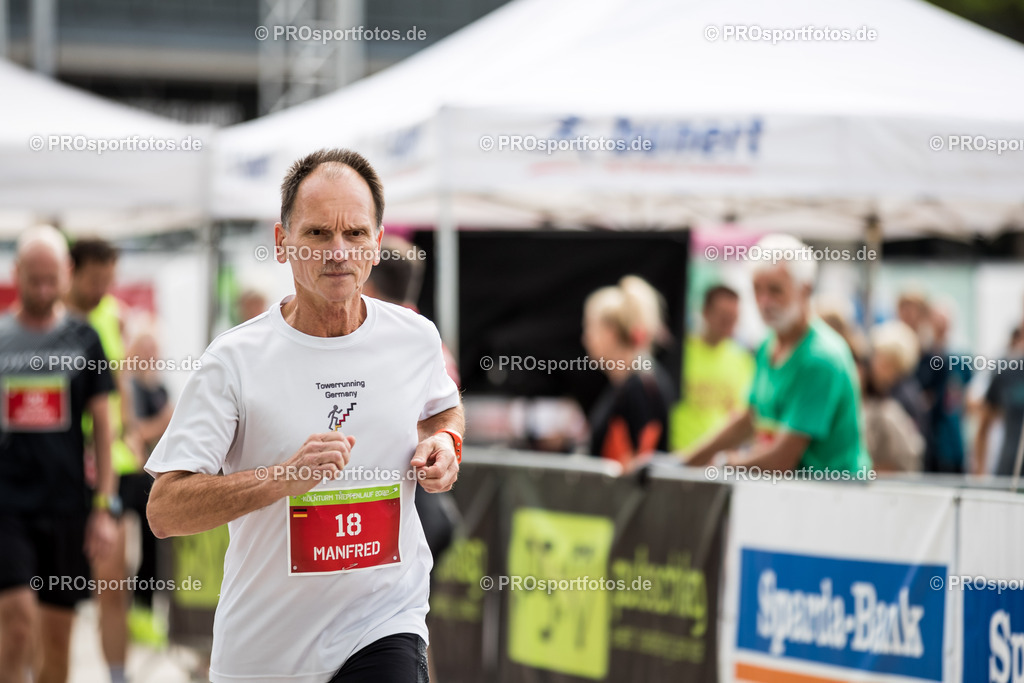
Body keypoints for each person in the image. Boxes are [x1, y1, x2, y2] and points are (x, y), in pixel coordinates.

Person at [146, 148, 464, 683]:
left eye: (356, 234)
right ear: (281, 242)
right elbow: (165, 510)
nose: (339, 251)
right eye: (318, 234)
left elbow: (442, 409)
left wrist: (446, 444)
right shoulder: (235, 360)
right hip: (266, 651)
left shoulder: (415, 339)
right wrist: (282, 478)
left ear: (377, 242)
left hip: (383, 622)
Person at [0, 225, 118, 683]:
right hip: (8, 506)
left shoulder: (84, 339)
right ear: (17, 273)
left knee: (55, 635)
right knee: (16, 620)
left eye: (53, 280)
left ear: (66, 274)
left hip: (66, 506)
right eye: (35, 280)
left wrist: (104, 507)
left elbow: (104, 428)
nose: (45, 290)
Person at [684, 234, 871, 475]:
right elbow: (748, 419)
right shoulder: (769, 345)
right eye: (757, 290)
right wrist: (686, 461)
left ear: (805, 290)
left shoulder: (821, 359)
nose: (764, 301)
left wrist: (721, 465)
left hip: (833, 498)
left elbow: (783, 458)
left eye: (775, 290)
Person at [67, 237, 155, 680]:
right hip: (60, 466)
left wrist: (133, 432)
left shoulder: (113, 317)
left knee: (112, 583)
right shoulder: (51, 319)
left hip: (112, 468)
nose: (103, 287)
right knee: (50, 593)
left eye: (109, 278)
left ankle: (118, 674)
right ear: (72, 271)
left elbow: (119, 381)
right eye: (94, 279)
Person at [582, 275, 676, 469]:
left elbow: (639, 463)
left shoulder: (641, 386)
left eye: (590, 326)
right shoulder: (629, 383)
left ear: (611, 331)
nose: (585, 337)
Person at [669, 284, 753, 451]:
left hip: (718, 459)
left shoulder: (742, 359)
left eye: (733, 318)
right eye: (723, 317)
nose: (728, 324)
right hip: (680, 452)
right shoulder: (681, 354)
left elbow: (741, 414)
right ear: (706, 312)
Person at [861, 322, 925, 472]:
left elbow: (906, 457)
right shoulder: (881, 392)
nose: (874, 364)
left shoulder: (902, 399)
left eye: (881, 359)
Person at [916, 305, 971, 473]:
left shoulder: (960, 359)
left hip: (954, 438)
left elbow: (966, 397)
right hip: (930, 440)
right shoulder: (923, 357)